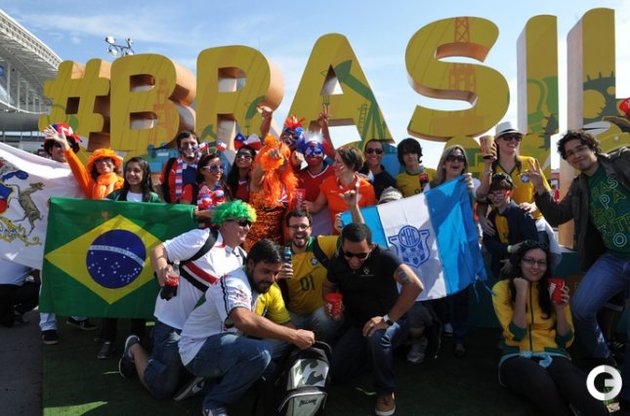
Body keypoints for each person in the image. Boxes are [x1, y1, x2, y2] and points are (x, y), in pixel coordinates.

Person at [528, 130, 630, 410]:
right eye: (570, 153)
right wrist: (540, 188)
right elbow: (558, 215)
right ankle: (604, 358)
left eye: (580, 148)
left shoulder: (622, 160)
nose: (576, 155)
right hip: (612, 258)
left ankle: (625, 395)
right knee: (582, 309)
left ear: (592, 147)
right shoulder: (580, 186)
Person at [117, 200, 255, 400]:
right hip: (175, 323)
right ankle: (134, 348)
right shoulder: (203, 238)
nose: (247, 227)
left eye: (250, 223)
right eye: (242, 222)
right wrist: (162, 269)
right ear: (225, 222)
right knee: (162, 389)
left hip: (206, 333)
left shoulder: (241, 258)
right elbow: (158, 251)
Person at [178, 239, 315, 416]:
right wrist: (294, 336)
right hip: (197, 351)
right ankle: (214, 403)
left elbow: (283, 324)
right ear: (250, 264)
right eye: (266, 271)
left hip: (224, 345)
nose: (271, 279)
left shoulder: (263, 284)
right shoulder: (235, 282)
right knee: (261, 352)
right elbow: (243, 320)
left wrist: (301, 339)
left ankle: (209, 382)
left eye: (276, 273)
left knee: (273, 374)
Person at [492, 240, 608, 416]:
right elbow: (517, 333)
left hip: (553, 355)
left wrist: (560, 309)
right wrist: (521, 292)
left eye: (541, 262)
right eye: (529, 261)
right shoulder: (501, 289)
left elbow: (565, 341)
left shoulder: (554, 289)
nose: (535, 267)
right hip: (516, 356)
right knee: (540, 381)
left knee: (578, 387)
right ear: (519, 262)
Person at [325, 223, 423, 416]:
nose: (354, 261)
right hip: (358, 325)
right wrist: (331, 302)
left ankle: (385, 391)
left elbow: (414, 285)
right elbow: (328, 286)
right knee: (336, 373)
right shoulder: (338, 261)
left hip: (392, 322)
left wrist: (387, 319)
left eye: (361, 255)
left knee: (377, 337)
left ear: (370, 246)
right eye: (349, 254)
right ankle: (375, 357)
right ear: (342, 246)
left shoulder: (384, 257)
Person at [278, 188, 364, 344]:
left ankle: (323, 349)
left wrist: (353, 206)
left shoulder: (322, 244)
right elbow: (262, 283)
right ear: (288, 230)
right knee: (275, 341)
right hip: (296, 315)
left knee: (324, 320)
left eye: (303, 226)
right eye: (294, 227)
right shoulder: (282, 254)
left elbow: (359, 237)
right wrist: (276, 276)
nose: (299, 231)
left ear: (311, 229)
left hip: (323, 311)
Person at [39, 124, 100, 343]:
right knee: (48, 279)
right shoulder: (38, 170)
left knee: (79, 274)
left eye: (65, 144)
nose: (60, 148)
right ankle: (47, 325)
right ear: (49, 149)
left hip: (76, 232)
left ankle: (78, 316)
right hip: (46, 231)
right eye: (55, 145)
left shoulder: (80, 170)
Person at [96, 157, 161, 359]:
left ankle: (135, 340)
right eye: (129, 170)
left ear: (145, 174)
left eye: (137, 170)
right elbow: (95, 211)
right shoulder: (115, 196)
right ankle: (108, 339)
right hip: (116, 254)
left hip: (142, 255)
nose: (132, 174)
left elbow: (164, 219)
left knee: (138, 296)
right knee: (112, 296)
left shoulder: (153, 199)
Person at [476, 121, 560, 266]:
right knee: (502, 271)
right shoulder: (489, 168)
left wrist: (534, 206)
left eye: (517, 137)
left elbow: (545, 194)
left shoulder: (530, 163)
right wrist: (482, 218)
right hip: (501, 229)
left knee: (535, 269)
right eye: (508, 137)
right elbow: (482, 199)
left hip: (533, 226)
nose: (513, 141)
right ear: (497, 141)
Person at [423, 145, 478, 358]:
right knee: (438, 293)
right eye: (452, 157)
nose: (456, 161)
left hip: (461, 247)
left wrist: (471, 191)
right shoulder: (431, 186)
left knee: (461, 293)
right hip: (438, 247)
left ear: (464, 164)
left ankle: (460, 337)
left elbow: (476, 210)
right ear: (444, 162)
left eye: (460, 158)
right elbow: (425, 215)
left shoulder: (470, 184)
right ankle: (440, 330)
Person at [305, 146, 377, 235]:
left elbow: (371, 222)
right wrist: (298, 203)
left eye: (338, 162)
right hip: (336, 238)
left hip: (358, 237)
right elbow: (316, 207)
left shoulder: (367, 188)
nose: (333, 165)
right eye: (335, 160)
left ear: (351, 165)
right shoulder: (329, 183)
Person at [245, 135, 297, 250]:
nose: (286, 160)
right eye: (281, 157)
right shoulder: (260, 182)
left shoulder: (287, 183)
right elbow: (256, 177)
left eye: (287, 156)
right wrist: (267, 160)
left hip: (277, 243)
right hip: (254, 243)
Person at [482, 173, 538, 278]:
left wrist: (513, 261)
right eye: (491, 195)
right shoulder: (492, 216)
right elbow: (488, 241)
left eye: (499, 194)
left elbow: (532, 242)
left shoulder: (521, 214)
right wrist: (509, 248)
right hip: (500, 266)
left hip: (521, 269)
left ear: (510, 193)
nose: (495, 198)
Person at [295, 132, 334, 236]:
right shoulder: (298, 176)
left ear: (323, 153)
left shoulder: (334, 172)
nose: (313, 154)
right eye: (308, 151)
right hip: (305, 223)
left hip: (329, 222)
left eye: (317, 151)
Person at [189, 152, 231, 227]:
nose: (219, 171)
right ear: (202, 171)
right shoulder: (192, 189)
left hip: (222, 231)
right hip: (199, 232)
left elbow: (229, 213)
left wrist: (200, 213)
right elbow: (186, 215)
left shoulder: (225, 188)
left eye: (221, 167)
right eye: (214, 167)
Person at [159, 130, 200, 204]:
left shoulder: (203, 164)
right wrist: (163, 201)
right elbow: (161, 185)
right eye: (185, 144)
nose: (189, 147)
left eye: (193, 143)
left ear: (198, 146)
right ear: (179, 148)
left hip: (199, 209)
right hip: (173, 209)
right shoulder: (171, 164)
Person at [0, 259, 39, 328]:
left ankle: (8, 313)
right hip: (7, 291)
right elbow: (38, 280)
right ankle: (17, 312)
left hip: (5, 291)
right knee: (39, 290)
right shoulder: (28, 257)